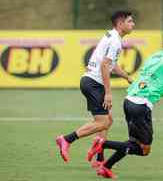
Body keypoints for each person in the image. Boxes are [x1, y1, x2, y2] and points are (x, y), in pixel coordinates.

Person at [87, 32, 163, 178]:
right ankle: (102, 143)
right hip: (141, 106)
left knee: (133, 142)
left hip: (129, 100)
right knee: (143, 149)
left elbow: (149, 84)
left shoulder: (154, 57)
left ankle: (106, 167)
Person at [55, 11, 135, 168]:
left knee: (107, 121)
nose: (133, 24)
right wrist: (108, 93)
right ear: (120, 24)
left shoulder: (112, 37)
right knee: (103, 121)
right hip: (93, 84)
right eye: (130, 21)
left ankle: (99, 157)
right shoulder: (115, 41)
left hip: (90, 82)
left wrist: (127, 77)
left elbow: (112, 65)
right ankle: (66, 139)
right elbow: (105, 65)